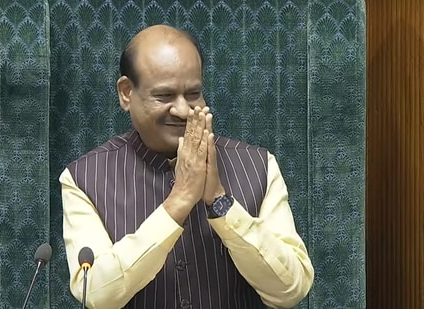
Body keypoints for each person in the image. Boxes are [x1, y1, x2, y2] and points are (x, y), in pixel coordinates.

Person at [60, 24, 314, 309]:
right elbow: (96, 294)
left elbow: (291, 289)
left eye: (193, 94)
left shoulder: (259, 166)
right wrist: (178, 201)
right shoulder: (83, 178)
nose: (183, 110)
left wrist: (220, 202)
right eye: (165, 96)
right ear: (126, 92)